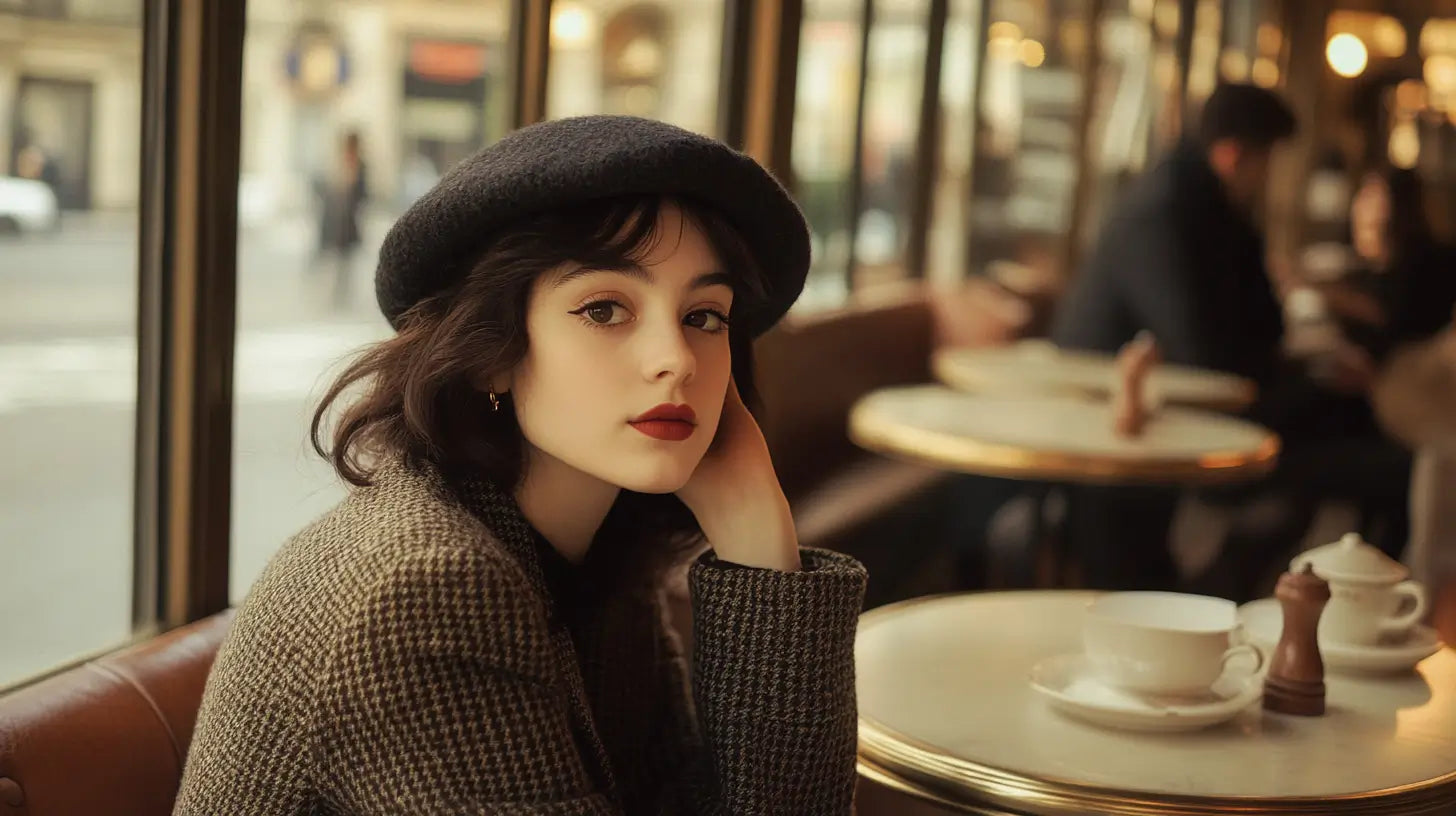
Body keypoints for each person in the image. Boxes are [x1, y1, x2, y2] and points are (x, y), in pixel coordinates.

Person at [174, 117, 867, 814]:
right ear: (494, 353)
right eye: (604, 309)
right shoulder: (428, 589)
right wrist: (760, 554)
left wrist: (759, 538)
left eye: (704, 316)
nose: (676, 359)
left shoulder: (595, 551)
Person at [315, 130, 369, 309]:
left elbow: (362, 194)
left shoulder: (360, 166)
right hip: (335, 219)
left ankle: (341, 295)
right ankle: (333, 294)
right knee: (332, 258)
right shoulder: (340, 163)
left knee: (345, 261)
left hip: (348, 221)